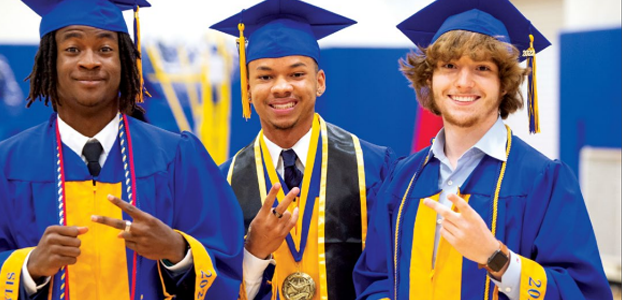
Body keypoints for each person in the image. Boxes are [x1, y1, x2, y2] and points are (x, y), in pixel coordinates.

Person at [0, 0, 244, 299]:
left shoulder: (177, 157)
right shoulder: (0, 166)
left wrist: (177, 251)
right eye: (72, 49)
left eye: (105, 49)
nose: (89, 61)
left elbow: (229, 267)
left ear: (124, 61)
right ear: (49, 62)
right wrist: (29, 269)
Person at [353, 0, 612, 299]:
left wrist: (495, 257)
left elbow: (582, 292)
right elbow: (375, 279)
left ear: (504, 84)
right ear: (430, 78)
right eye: (449, 66)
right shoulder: (401, 178)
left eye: (481, 68)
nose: (464, 82)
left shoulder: (543, 181)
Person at [211, 1, 396, 299]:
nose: (281, 87)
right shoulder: (223, 183)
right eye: (265, 76)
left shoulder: (374, 167)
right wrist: (254, 252)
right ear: (247, 88)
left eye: (296, 74)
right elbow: (212, 289)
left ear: (319, 82)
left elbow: (392, 274)